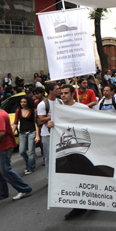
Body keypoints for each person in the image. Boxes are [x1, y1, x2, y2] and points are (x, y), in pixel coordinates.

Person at [53, 84, 93, 220]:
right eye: (61, 93)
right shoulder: (58, 109)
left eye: (66, 93)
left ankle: (91, 198)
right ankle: (78, 205)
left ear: (72, 94)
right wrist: (50, 124)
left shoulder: (82, 108)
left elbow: (93, 123)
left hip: (82, 146)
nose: (63, 95)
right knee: (72, 176)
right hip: (66, 149)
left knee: (85, 174)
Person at [0, 96, 33, 202]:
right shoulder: (0, 114)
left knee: (6, 170)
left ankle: (24, 188)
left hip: (3, 147)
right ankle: (1, 192)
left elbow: (1, 132)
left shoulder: (0, 116)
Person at [37, 82, 62, 176]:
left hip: (58, 134)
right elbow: (41, 120)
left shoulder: (60, 102)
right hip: (47, 135)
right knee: (49, 158)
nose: (59, 90)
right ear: (50, 91)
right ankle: (49, 177)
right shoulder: (43, 104)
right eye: (57, 89)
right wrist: (54, 116)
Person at [14, 96, 38, 174]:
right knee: (22, 151)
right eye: (21, 102)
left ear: (28, 102)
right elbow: (15, 123)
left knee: (31, 151)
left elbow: (36, 123)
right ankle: (28, 164)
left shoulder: (33, 111)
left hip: (32, 132)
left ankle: (31, 168)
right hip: (22, 133)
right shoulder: (18, 111)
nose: (23, 104)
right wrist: (11, 133)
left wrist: (37, 135)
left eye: (24, 102)